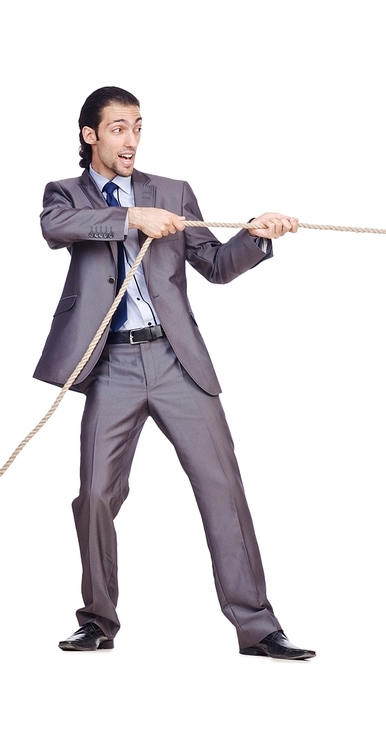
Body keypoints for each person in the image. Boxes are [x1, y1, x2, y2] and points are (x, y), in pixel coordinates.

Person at [34, 86, 315, 660]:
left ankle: (257, 627)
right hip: (109, 363)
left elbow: (215, 265)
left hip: (175, 361)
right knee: (94, 495)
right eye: (117, 128)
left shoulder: (173, 191)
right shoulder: (65, 193)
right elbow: (57, 226)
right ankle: (98, 619)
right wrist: (131, 217)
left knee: (222, 489)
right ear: (90, 134)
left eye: (137, 126)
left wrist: (255, 235)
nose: (131, 138)